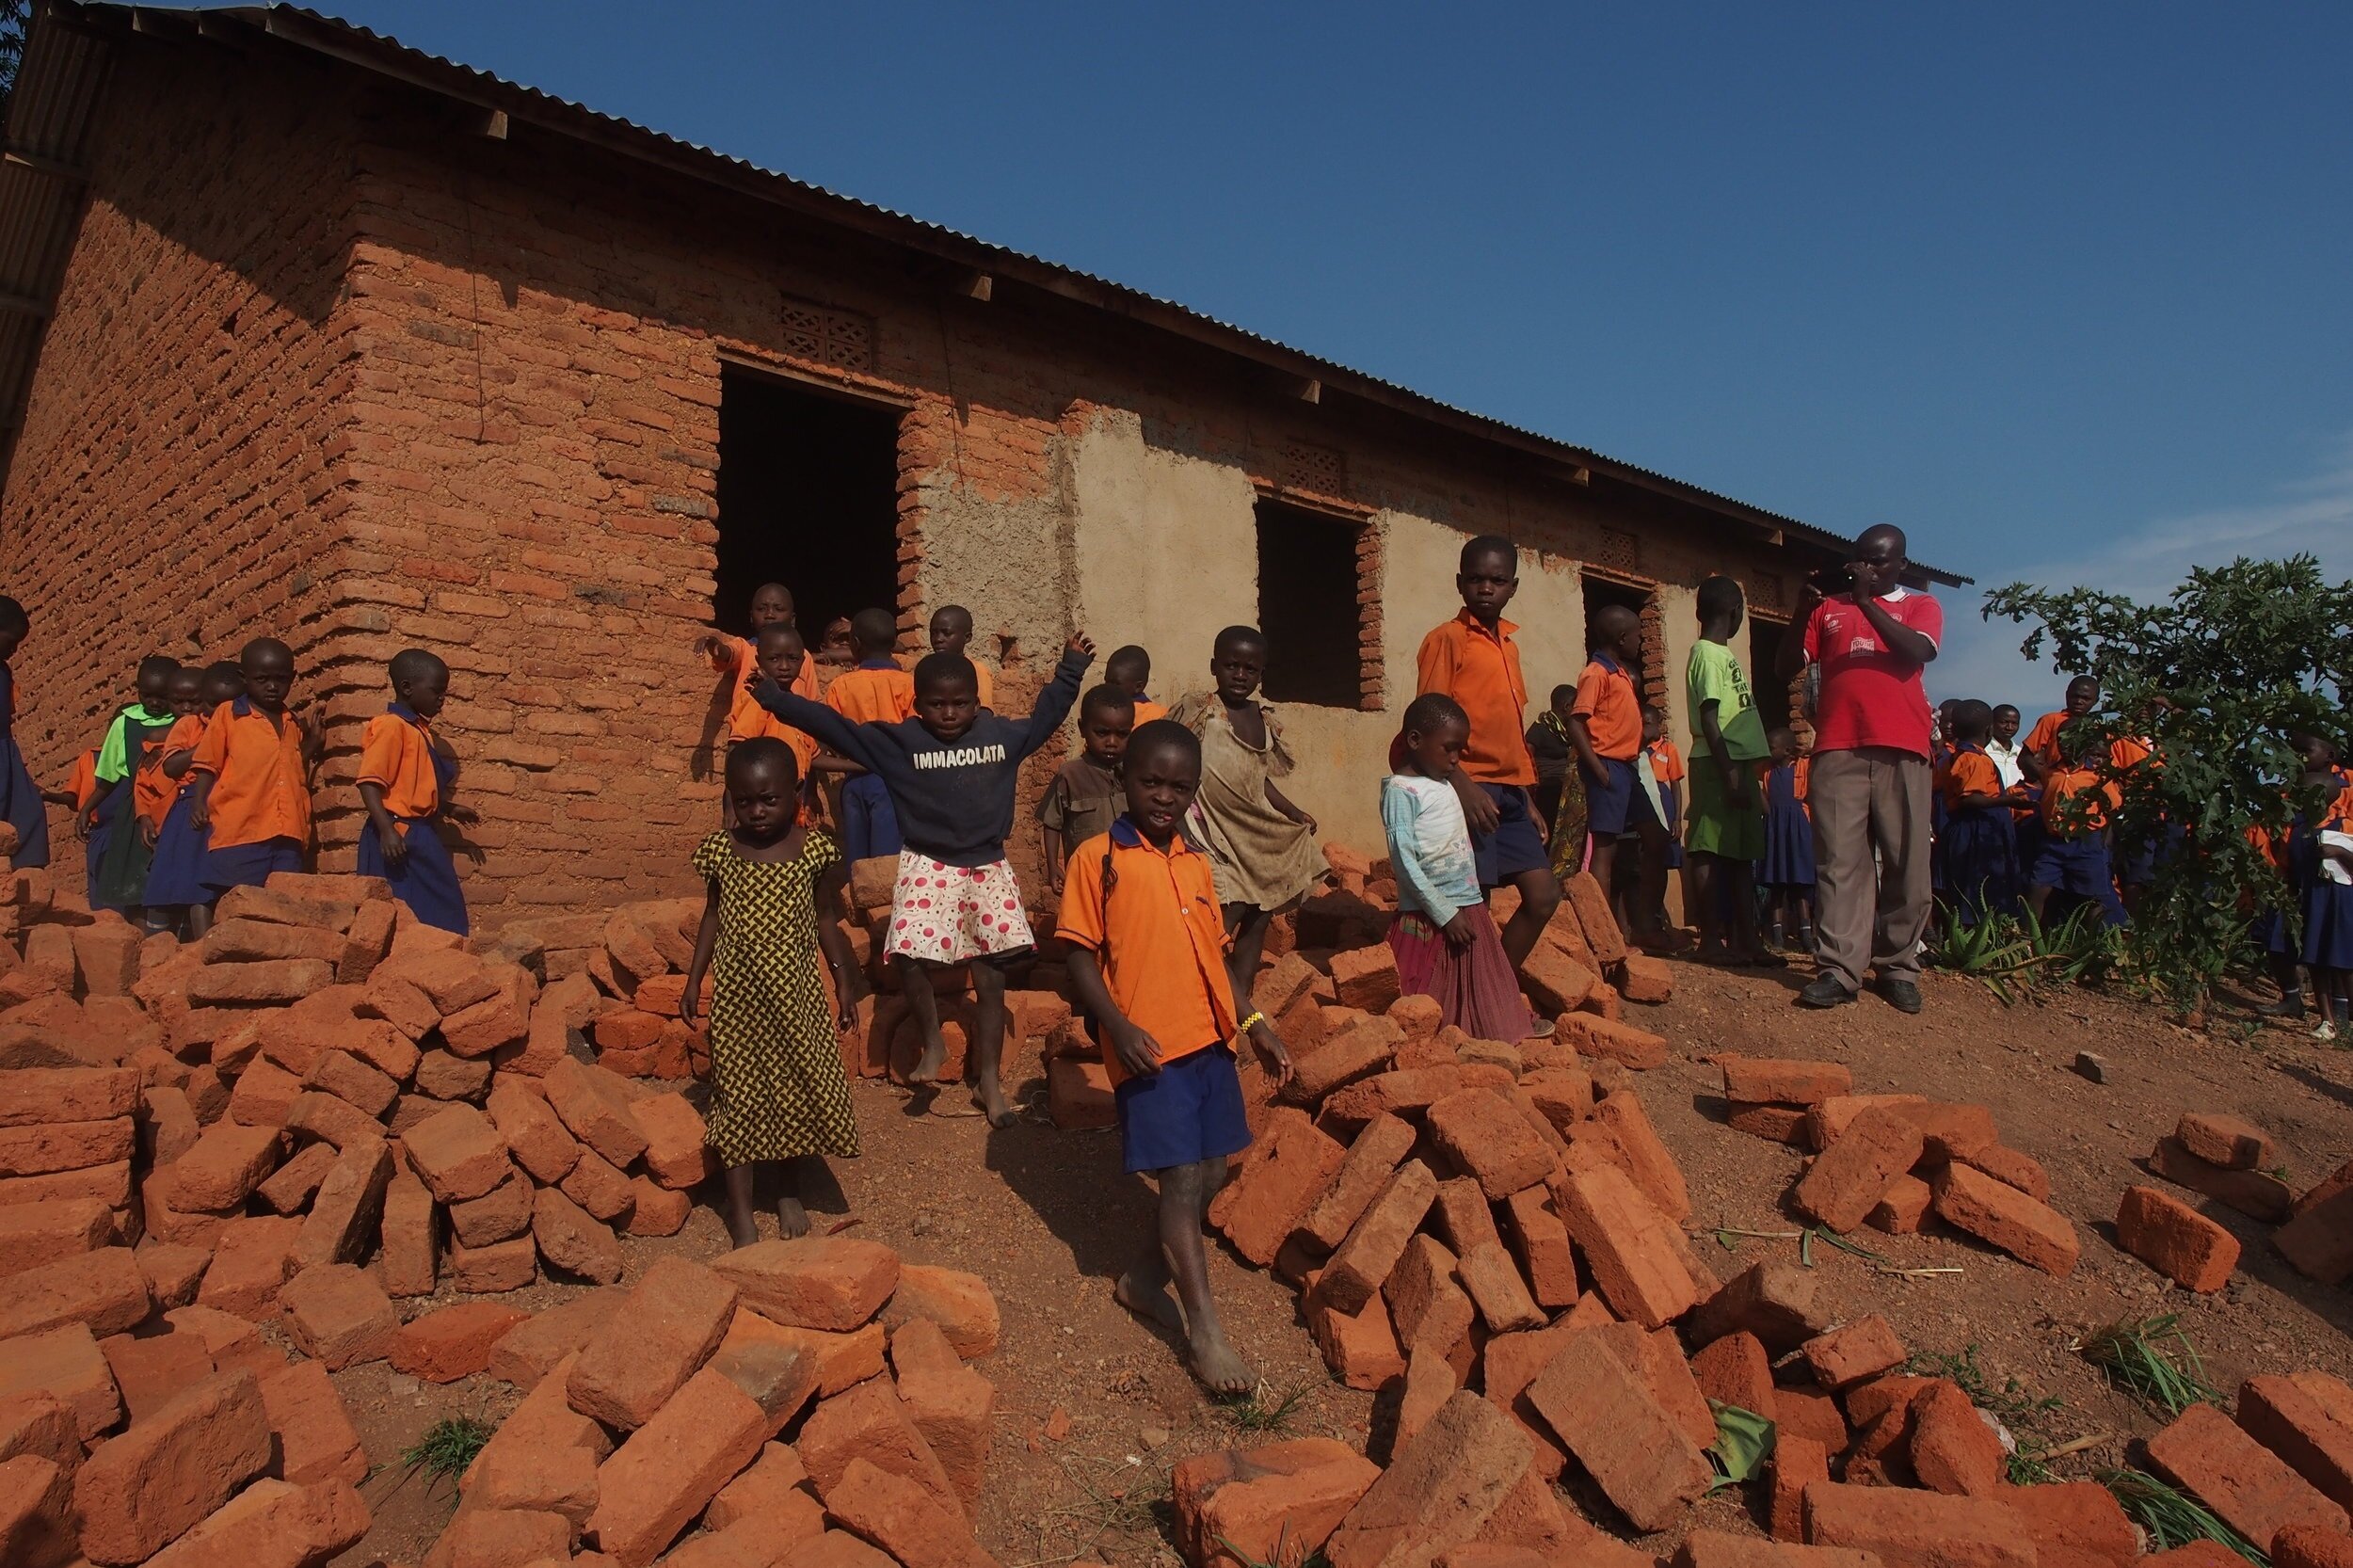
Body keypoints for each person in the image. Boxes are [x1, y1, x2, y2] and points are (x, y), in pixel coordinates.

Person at [758, 632, 1095, 1127]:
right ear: (916, 705)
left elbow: (1046, 716)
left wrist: (1070, 670)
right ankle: (933, 1037)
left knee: (991, 974)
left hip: (986, 867)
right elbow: (833, 723)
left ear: (977, 703)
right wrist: (775, 699)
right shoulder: (899, 743)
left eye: (960, 703)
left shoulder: (999, 737)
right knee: (910, 954)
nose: (949, 714)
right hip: (928, 864)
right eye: (937, 705)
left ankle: (989, 1083)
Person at [1055, 718, 1294, 1396]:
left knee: (1212, 1170)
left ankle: (1141, 1277)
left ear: (1193, 793)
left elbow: (1218, 962)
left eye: (1178, 786)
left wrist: (1252, 1022)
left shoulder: (1194, 862)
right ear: (1124, 778)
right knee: (1182, 1182)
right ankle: (1206, 1334)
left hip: (1209, 1040)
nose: (1163, 795)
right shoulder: (1097, 859)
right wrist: (1117, 1027)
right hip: (1149, 1047)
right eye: (1150, 781)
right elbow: (1078, 955)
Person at [680, 737, 863, 1243]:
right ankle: (740, 1213)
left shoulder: (814, 852)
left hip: (797, 998)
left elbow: (826, 919)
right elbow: (712, 917)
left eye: (769, 800)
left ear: (797, 793)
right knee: (738, 1097)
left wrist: (844, 978)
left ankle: (786, 1187)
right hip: (739, 1000)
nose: (756, 812)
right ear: (730, 799)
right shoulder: (721, 852)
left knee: (792, 1090)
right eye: (743, 802)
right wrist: (695, 979)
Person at [1776, 524, 1943, 1012]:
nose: (1869, 569)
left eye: (1880, 562)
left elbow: (1918, 650)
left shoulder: (1919, 606)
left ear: (1901, 565)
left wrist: (1868, 601)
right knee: (1839, 863)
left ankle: (1897, 968)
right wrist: (1799, 614)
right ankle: (1840, 969)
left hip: (1903, 746)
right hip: (1838, 746)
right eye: (1862, 560)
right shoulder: (1829, 609)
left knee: (1907, 864)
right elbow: (1785, 666)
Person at [1415, 536, 1561, 971]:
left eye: (1497, 580)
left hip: (1510, 793)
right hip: (1465, 788)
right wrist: (1463, 786)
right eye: (1476, 579)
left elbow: (1509, 730)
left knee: (1543, 896)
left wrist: (1527, 797)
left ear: (1512, 586)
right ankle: (1474, 1004)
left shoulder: (1509, 646)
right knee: (1474, 905)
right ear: (1460, 583)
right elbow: (1426, 720)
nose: (1485, 588)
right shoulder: (1448, 639)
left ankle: (1498, 985)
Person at [1167, 627, 1324, 1016]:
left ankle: (1241, 1003)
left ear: (1261, 674)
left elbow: (1260, 778)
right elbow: (1170, 756)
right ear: (1214, 667)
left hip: (1251, 831)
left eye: (1250, 669)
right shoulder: (1201, 711)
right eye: (1231, 666)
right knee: (1225, 911)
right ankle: (1201, 999)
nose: (1240, 675)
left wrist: (1291, 811)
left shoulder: (1262, 719)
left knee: (1258, 915)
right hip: (1209, 830)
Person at [1384, 694, 1538, 1040]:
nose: (1455, 760)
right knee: (1423, 1003)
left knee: (1477, 989)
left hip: (1467, 904)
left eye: (1460, 751)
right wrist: (1444, 913)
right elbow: (1404, 861)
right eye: (1448, 749)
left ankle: (1484, 1041)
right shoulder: (1401, 791)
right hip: (1429, 914)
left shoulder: (1442, 783)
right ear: (1414, 740)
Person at [356, 649, 477, 936]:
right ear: (407, 687)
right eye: (436, 691)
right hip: (396, 833)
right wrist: (386, 830)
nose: (441, 699)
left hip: (419, 832)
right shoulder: (391, 726)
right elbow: (370, 782)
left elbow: (412, 784)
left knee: (441, 908)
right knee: (394, 913)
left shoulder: (419, 730)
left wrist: (447, 808)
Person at [1684, 576, 1773, 966]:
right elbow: (1709, 719)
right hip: (1716, 763)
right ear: (1737, 612)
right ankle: (1709, 941)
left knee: (1740, 855)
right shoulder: (1706, 653)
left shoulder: (1723, 654)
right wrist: (1730, 773)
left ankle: (1747, 942)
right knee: (1709, 847)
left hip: (1738, 765)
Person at [188, 639, 323, 894]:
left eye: (281, 680)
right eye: (262, 680)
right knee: (237, 904)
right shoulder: (229, 714)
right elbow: (207, 763)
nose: (272, 687)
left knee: (282, 907)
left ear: (293, 677)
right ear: (244, 678)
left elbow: (290, 766)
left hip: (288, 835)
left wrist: (313, 743)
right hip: (240, 833)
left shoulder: (291, 721)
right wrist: (198, 802)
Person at [1569, 604, 1664, 940]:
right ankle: (1602, 935)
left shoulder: (1620, 672)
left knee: (1656, 837)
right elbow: (1576, 723)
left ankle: (1645, 923)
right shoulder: (1596, 672)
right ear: (1623, 638)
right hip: (1609, 767)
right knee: (1605, 849)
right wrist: (1598, 770)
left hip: (1629, 768)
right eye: (1638, 635)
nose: (1641, 641)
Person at [144, 662, 244, 937]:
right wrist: (210, 743)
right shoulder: (189, 726)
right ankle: (156, 950)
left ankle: (202, 951)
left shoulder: (243, 725)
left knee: (205, 888)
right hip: (191, 808)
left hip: (224, 809)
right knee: (171, 880)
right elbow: (171, 765)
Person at [84, 656, 181, 918]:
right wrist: (87, 809)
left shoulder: (185, 720)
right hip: (136, 811)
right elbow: (108, 776)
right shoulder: (124, 723)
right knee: (135, 884)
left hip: (176, 806)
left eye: (163, 697)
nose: (155, 703)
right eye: (147, 695)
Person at [822, 608, 917, 861]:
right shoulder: (909, 684)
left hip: (854, 781)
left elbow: (829, 737)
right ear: (893, 644)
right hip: (893, 781)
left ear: (855, 644)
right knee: (887, 862)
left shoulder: (841, 686)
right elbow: (915, 736)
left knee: (857, 861)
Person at [2025, 721, 2127, 929]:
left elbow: (2113, 808)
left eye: (2072, 740)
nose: (2065, 745)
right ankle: (2025, 942)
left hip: (2085, 844)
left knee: (2092, 898)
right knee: (2037, 889)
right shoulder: (2050, 772)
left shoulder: (2099, 776)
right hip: (2053, 843)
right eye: (2061, 740)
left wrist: (2104, 842)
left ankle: (2097, 945)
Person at [2287, 732, 2353, 1038]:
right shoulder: (2298, 830)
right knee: (2315, 958)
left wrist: (2339, 851)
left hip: (2342, 902)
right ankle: (2327, 1021)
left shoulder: (2345, 827)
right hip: (2313, 899)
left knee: (2344, 961)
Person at [1038, 684, 1133, 895]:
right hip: (1085, 881)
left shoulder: (1136, 774)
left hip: (1131, 882)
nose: (1111, 742)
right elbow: (1052, 823)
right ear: (1082, 728)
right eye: (1102, 733)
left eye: (1122, 734)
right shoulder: (1070, 775)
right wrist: (1053, 866)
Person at [1938, 699, 2024, 926]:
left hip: (1970, 829)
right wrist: (2010, 800)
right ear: (1989, 730)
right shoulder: (1974, 759)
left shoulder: (1954, 757)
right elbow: (1971, 798)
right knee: (1979, 888)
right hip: (1977, 832)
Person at [726, 624, 822, 825]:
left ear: (803, 662)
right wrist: (730, 804)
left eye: (793, 659)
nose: (784, 666)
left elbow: (813, 759)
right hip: (761, 807)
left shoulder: (798, 706)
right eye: (774, 659)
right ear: (759, 661)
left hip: (790, 808)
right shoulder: (758, 701)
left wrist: (862, 764)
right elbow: (736, 751)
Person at [693, 582, 818, 699]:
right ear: (751, 617)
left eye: (778, 609)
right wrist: (714, 644)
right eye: (761, 609)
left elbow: (814, 702)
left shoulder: (803, 656)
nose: (769, 615)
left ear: (792, 619)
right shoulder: (746, 648)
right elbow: (726, 654)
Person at [1758, 728, 1817, 952]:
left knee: (1800, 884)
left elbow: (1819, 758)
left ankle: (1805, 935)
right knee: (1777, 885)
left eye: (1771, 747)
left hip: (1798, 828)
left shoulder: (1802, 767)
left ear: (1787, 750)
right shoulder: (1767, 770)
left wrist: (1806, 750)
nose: (1768, 750)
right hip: (1775, 829)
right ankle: (1777, 937)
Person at [0, 597, 48, 871]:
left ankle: (26, 883)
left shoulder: (3, 670)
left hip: (6, 750)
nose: (14, 649)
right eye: (10, 640)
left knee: (28, 813)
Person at [1526, 684, 1589, 884]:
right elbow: (1526, 757)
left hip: (1569, 795)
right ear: (1566, 706)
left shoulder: (1572, 733)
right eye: (1575, 707)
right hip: (1548, 792)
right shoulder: (1540, 729)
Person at [1641, 706, 1687, 938]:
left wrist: (1677, 818)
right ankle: (1645, 914)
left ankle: (1658, 913)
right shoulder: (1638, 750)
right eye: (1642, 722)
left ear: (1659, 724)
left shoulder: (1668, 749)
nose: (1645, 727)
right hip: (1644, 800)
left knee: (1662, 861)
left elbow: (1676, 784)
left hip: (1664, 803)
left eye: (1649, 722)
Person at [2021, 677, 2101, 779]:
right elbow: (2025, 757)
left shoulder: (2098, 728)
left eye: (2086, 698)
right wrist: (2049, 780)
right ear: (2067, 694)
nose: (2079, 701)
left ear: (2096, 701)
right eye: (2074, 696)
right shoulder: (2051, 720)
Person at [923, 606, 994, 711]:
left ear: (967, 637)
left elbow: (983, 713)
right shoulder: (928, 670)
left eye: (946, 633)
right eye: (933, 633)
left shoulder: (976, 670)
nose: (938, 639)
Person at [1104, 646, 1164, 727]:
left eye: (1115, 684)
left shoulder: (1158, 716)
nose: (1108, 688)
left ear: (1138, 687)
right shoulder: (1104, 709)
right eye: (1106, 682)